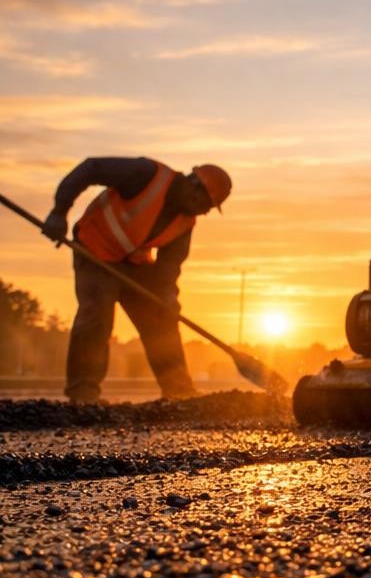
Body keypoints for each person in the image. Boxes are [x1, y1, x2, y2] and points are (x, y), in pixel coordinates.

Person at [41, 158, 232, 403]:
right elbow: (92, 168)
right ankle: (83, 394)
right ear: (194, 186)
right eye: (206, 204)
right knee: (96, 315)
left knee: (161, 318)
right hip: (95, 250)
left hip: (134, 265)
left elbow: (168, 269)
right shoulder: (145, 175)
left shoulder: (186, 222)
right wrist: (59, 212)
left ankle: (179, 393)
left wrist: (168, 298)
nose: (205, 211)